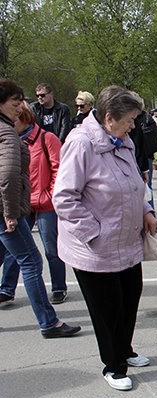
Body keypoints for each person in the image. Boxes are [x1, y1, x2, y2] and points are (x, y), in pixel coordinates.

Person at [54, 85, 157, 391]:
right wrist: (94, 232)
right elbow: (64, 199)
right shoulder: (81, 143)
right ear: (109, 118)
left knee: (130, 297)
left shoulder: (123, 141)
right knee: (108, 308)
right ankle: (113, 366)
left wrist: (146, 210)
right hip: (95, 247)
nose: (134, 126)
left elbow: (135, 183)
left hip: (125, 241)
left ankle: (124, 349)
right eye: (129, 119)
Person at [0, 78, 81, 338]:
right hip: (8, 209)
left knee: (41, 252)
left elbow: (56, 169)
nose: (19, 107)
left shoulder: (35, 135)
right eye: (15, 102)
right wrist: (11, 212)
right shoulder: (6, 134)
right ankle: (48, 322)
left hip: (36, 202)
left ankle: (57, 294)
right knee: (31, 261)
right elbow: (9, 175)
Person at [1, 101, 68, 304]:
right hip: (22, 203)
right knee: (15, 250)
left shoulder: (47, 138)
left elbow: (59, 170)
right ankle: (6, 288)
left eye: (15, 119)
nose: (11, 122)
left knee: (51, 248)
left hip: (45, 203)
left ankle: (58, 287)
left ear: (25, 119)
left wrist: (50, 195)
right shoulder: (7, 140)